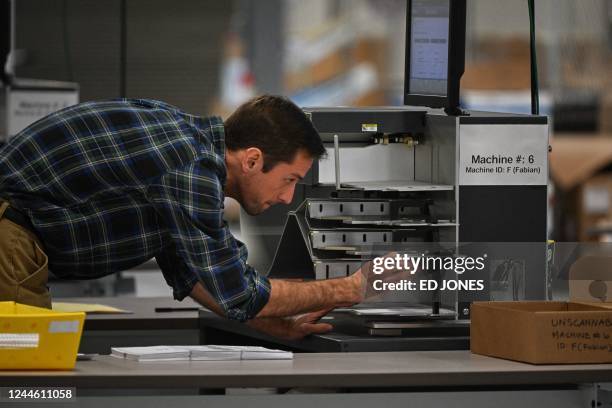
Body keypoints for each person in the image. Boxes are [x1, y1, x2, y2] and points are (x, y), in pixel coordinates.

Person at [0, 95, 367, 339]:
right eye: (289, 181)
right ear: (252, 160)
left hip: (16, 232)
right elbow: (239, 291)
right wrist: (350, 288)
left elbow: (193, 274)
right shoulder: (191, 167)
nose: (287, 198)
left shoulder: (184, 144)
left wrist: (275, 324)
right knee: (30, 388)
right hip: (9, 236)